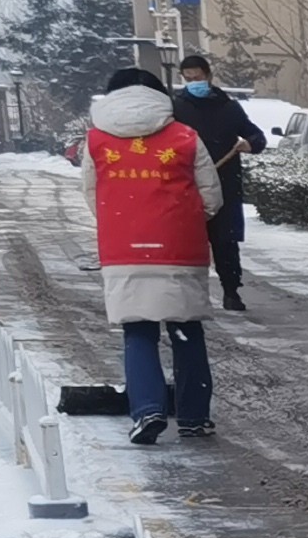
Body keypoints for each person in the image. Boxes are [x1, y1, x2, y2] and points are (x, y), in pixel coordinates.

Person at [83, 67, 221, 444]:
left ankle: (147, 411)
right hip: (179, 246)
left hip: (123, 249)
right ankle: (194, 417)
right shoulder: (185, 137)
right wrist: (178, 220)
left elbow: (91, 194)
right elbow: (211, 197)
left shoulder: (96, 141)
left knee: (137, 330)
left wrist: (127, 223)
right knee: (186, 328)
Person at [165, 52, 261, 310]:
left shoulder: (228, 108)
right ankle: (185, 294)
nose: (193, 82)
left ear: (208, 76)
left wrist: (250, 143)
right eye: (188, 79)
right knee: (185, 241)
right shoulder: (176, 108)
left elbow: (256, 135)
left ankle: (231, 291)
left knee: (225, 241)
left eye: (197, 77)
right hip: (186, 184)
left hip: (224, 184)